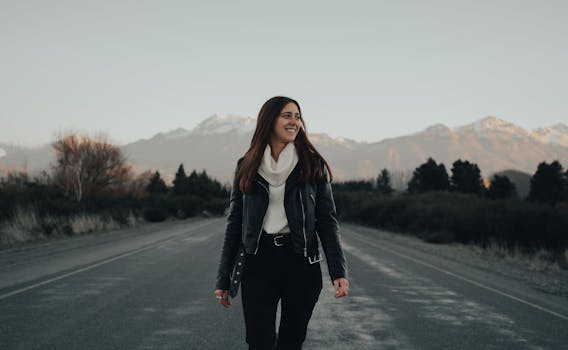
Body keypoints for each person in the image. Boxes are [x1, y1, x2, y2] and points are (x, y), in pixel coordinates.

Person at [214, 96, 349, 350]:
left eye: (298, 117)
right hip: (257, 263)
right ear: (270, 120)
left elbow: (327, 221)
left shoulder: (311, 165)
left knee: (291, 342)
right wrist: (223, 277)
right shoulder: (247, 166)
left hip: (300, 264)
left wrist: (338, 271)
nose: (294, 122)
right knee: (259, 342)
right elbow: (235, 223)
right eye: (287, 115)